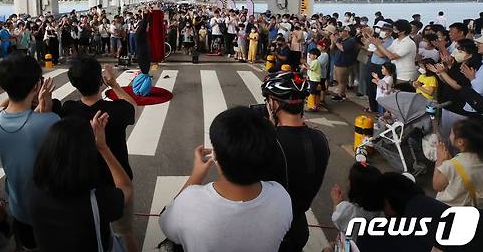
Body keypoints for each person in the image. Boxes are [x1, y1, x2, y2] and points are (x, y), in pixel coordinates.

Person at [159, 107, 292, 252]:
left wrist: (196, 175)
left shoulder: (189, 201)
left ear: (215, 156)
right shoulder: (281, 197)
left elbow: (165, 224)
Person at [52, 56, 137, 252]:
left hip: (83, 184)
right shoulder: (116, 110)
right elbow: (131, 106)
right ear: (100, 80)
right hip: (116, 181)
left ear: (74, 84)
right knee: (125, 232)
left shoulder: (68, 110)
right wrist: (114, 84)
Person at [29, 113, 133, 252]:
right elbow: (126, 188)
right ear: (86, 158)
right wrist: (103, 148)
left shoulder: (34, 188)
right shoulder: (98, 201)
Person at [0, 54, 59, 250]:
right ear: (37, 86)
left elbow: (9, 113)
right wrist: (44, 103)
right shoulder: (50, 121)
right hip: (48, 211)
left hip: (18, 207)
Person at [262, 71, 330, 252]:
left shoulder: (270, 142)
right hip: (299, 224)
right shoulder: (321, 139)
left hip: (273, 228)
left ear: (273, 103)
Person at [328, 163, 382, 245]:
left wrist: (337, 202)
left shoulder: (349, 210)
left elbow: (337, 219)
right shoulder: (381, 211)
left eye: (349, 180)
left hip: (350, 246)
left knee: (329, 247)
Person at [433, 118, 483, 208]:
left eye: (451, 133)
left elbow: (437, 185)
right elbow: (462, 171)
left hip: (451, 209)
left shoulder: (452, 166)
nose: (450, 135)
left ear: (460, 142)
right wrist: (450, 160)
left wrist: (439, 160)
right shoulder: (478, 158)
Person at [371, 20, 417, 89]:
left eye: (396, 28)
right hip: (396, 73)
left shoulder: (408, 43)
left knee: (402, 96)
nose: (394, 29)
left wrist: (379, 45)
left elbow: (392, 56)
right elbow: (385, 53)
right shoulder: (396, 41)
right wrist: (375, 44)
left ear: (403, 31)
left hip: (405, 75)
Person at [330, 26, 357, 101]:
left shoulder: (351, 40)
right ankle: (342, 93)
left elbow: (343, 49)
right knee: (339, 80)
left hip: (344, 63)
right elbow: (331, 49)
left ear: (347, 32)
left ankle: (340, 95)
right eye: (340, 31)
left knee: (342, 80)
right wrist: (333, 41)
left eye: (342, 31)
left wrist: (336, 42)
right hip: (338, 62)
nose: (340, 33)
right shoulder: (339, 39)